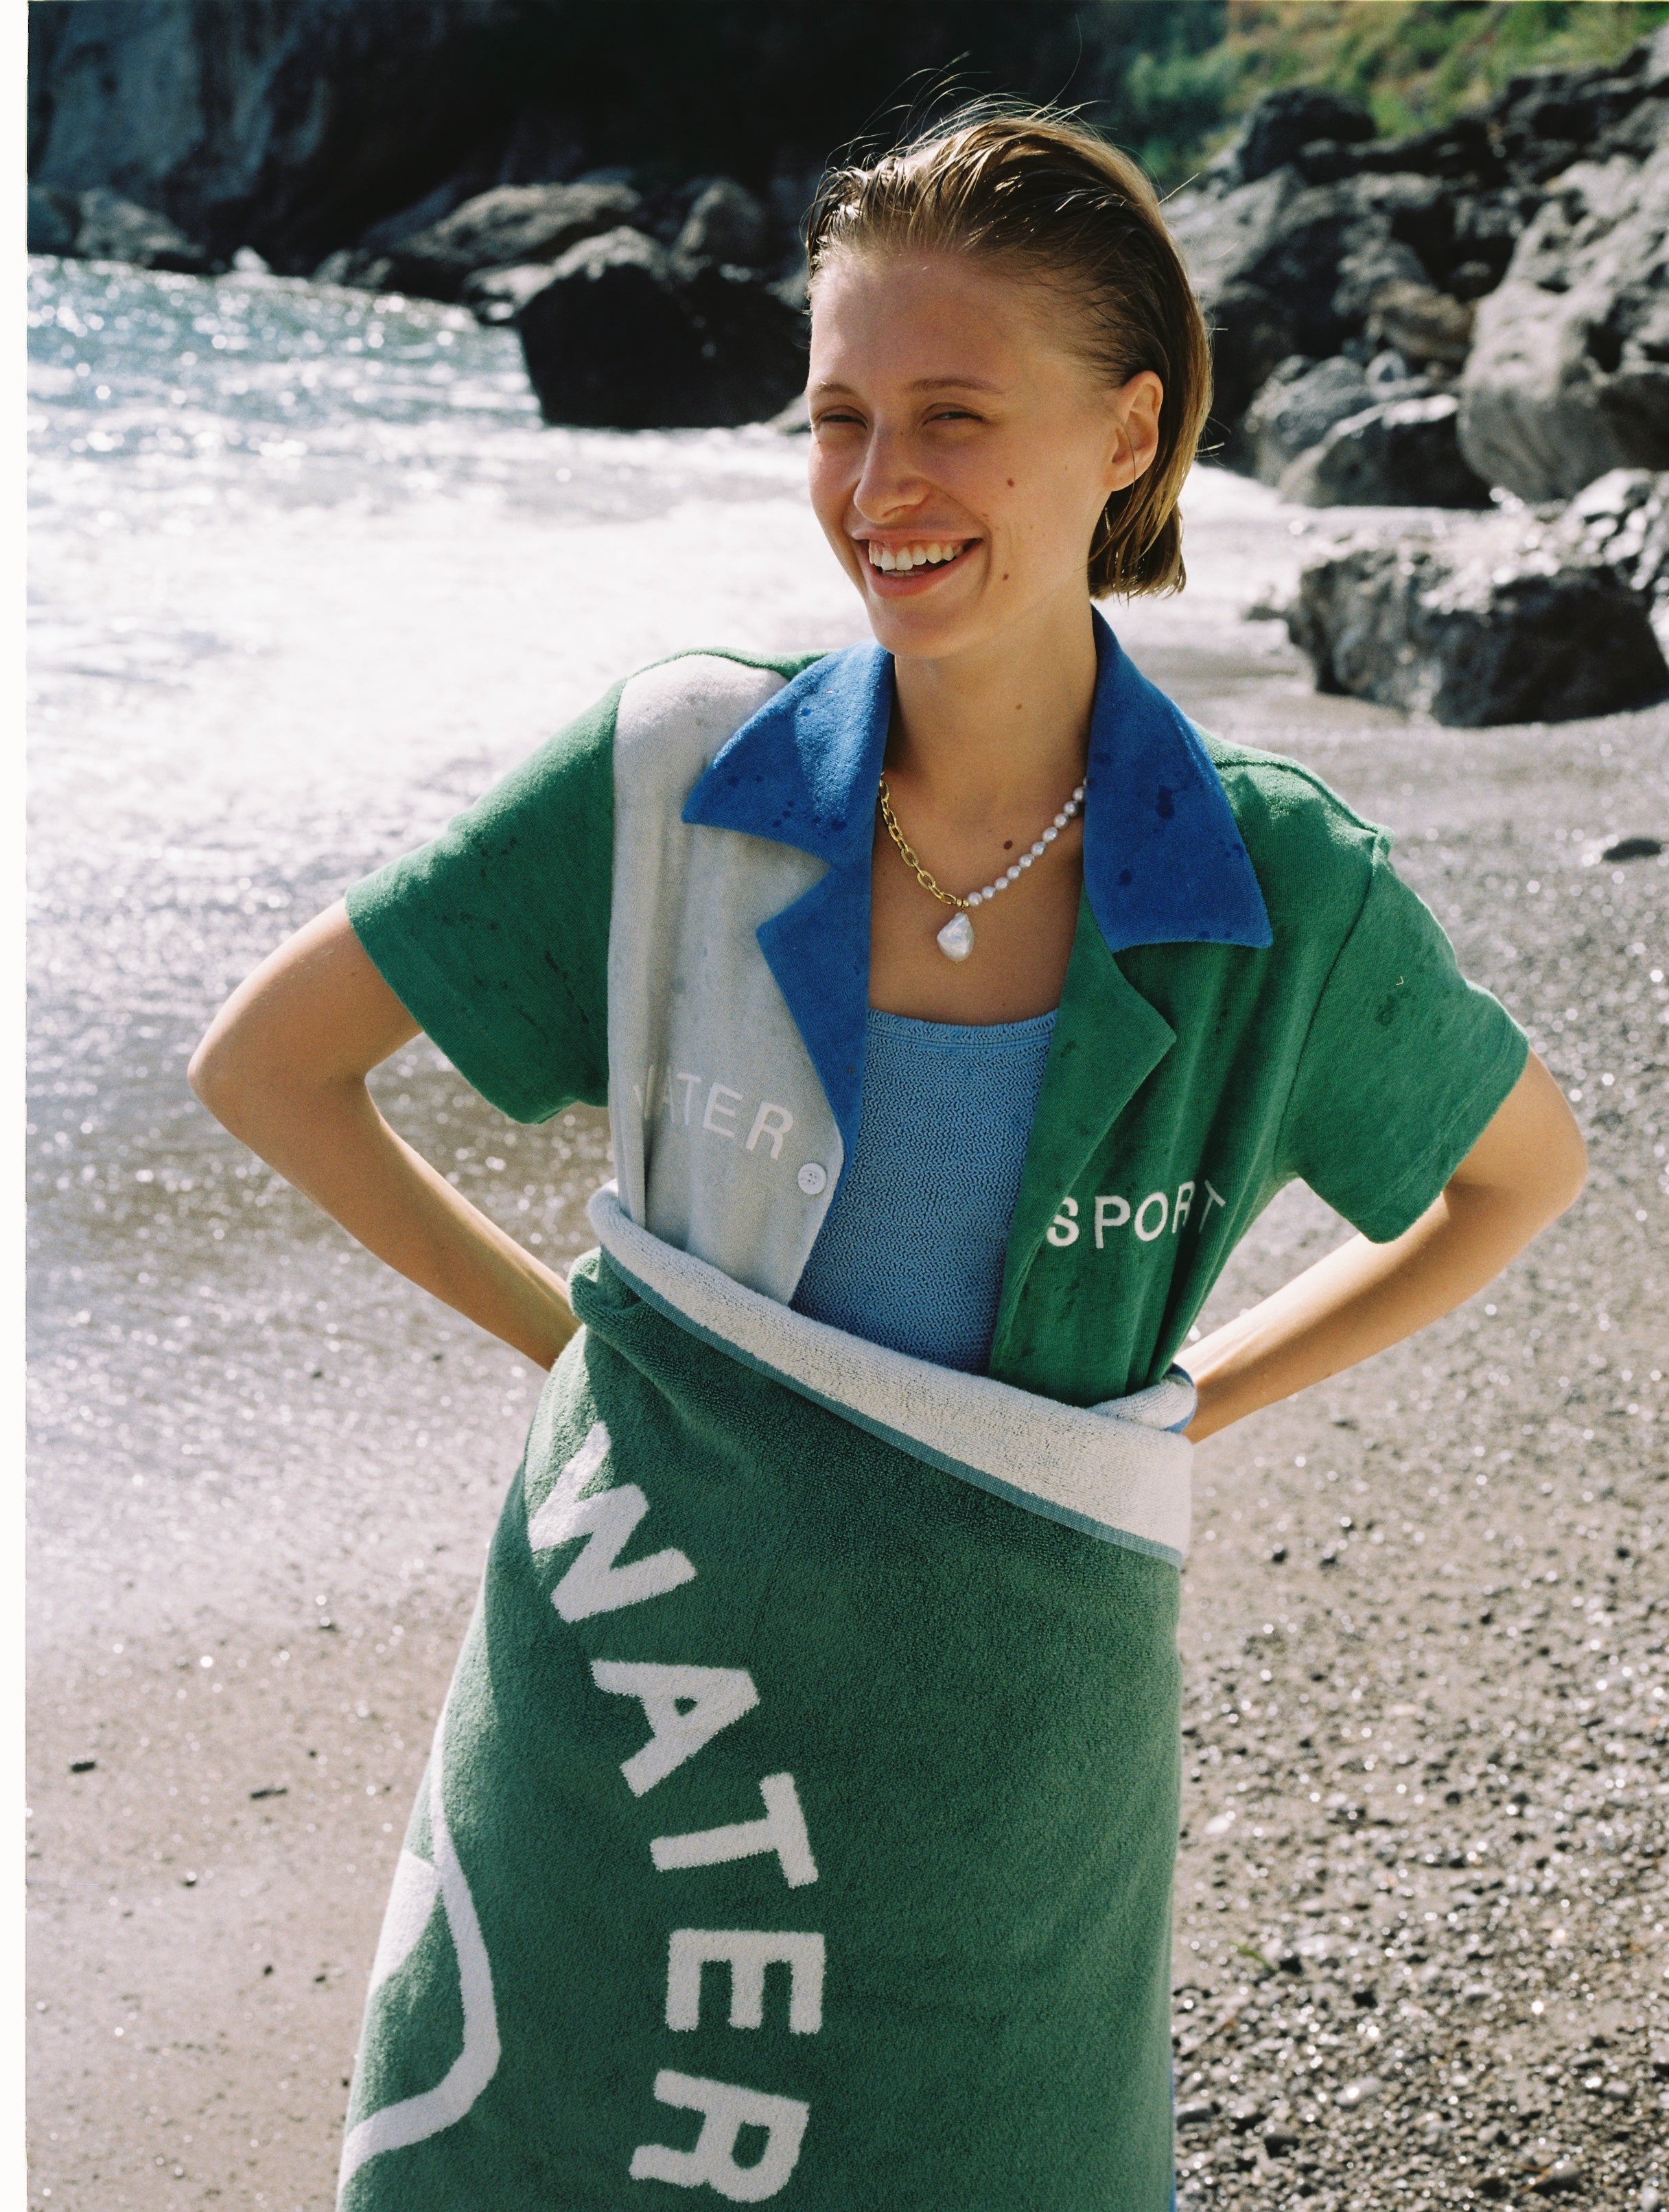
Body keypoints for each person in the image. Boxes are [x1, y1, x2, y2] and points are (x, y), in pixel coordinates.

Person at [190, 106, 1585, 2212]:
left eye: (953, 414)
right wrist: (594, 1358)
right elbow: (269, 1069)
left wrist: (1178, 1414)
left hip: (1002, 1808)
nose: (879, 486)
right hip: (636, 1739)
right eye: (839, 416)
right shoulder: (674, 775)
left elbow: (1522, 1176)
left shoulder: (1274, 886)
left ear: (1127, 434)